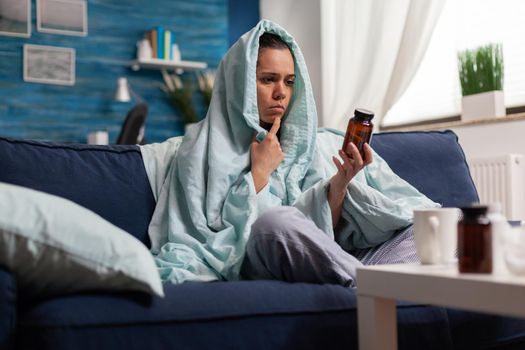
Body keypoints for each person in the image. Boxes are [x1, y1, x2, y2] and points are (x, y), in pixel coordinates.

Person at [141, 20, 438, 287]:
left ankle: (380, 284)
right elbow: (203, 240)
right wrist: (259, 173)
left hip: (324, 259)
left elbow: (322, 233)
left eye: (289, 81)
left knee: (435, 229)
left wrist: (339, 185)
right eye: (268, 79)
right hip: (260, 254)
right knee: (277, 224)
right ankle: (376, 286)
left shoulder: (311, 146)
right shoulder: (197, 152)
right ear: (240, 83)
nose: (281, 92)